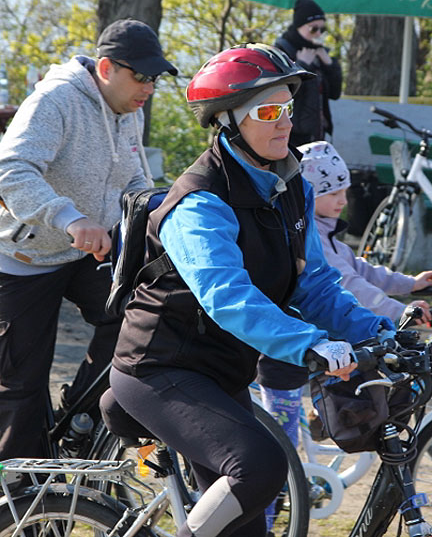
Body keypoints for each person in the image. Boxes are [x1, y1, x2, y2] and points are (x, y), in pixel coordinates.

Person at [107, 43, 395, 537]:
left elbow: (316, 284)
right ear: (229, 121)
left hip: (222, 374)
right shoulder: (199, 202)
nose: (284, 122)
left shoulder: (291, 186)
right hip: (161, 371)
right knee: (261, 466)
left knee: (246, 527)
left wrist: (383, 331)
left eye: (288, 107)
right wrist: (310, 344)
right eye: (268, 111)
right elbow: (226, 296)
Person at [0, 18, 178, 460]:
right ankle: (22, 505)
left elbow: (136, 180)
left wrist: (172, 212)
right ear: (105, 68)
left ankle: (79, 420)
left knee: (141, 316)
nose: (149, 87)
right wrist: (69, 217)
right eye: (140, 76)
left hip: (84, 255)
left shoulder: (126, 113)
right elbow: (10, 171)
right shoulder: (56, 99)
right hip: (22, 257)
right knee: (20, 389)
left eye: (154, 78)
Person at [256, 140, 432, 446]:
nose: (342, 200)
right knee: (281, 438)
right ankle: (279, 486)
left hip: (321, 338)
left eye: (344, 191)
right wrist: (398, 311)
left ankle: (316, 425)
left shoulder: (329, 237)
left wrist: (410, 283)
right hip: (290, 344)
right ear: (307, 194)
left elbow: (363, 270)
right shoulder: (308, 238)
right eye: (331, 193)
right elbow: (351, 284)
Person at [274, 0, 342, 147]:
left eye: (322, 29)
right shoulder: (282, 51)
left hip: (316, 133)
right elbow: (282, 95)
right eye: (313, 28)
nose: (318, 34)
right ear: (299, 26)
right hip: (290, 133)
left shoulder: (318, 53)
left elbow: (335, 94)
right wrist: (303, 65)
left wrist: (330, 65)